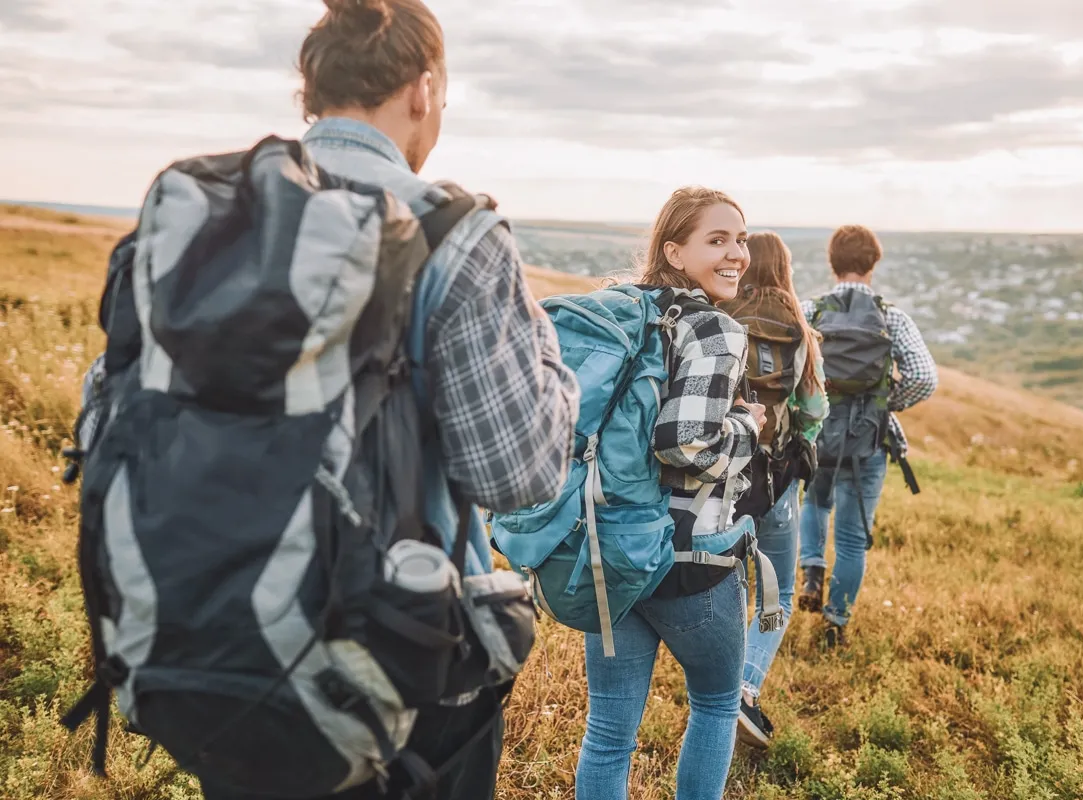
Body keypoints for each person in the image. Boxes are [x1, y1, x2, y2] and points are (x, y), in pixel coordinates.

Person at [77, 1, 581, 798]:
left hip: (208, 639)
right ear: (422, 90)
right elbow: (519, 475)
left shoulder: (198, 212)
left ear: (310, 90)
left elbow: (104, 415)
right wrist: (555, 372)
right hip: (397, 670)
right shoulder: (452, 231)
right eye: (441, 94)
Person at [574, 187, 766, 800]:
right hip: (690, 557)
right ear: (675, 251)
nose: (737, 253)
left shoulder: (620, 310)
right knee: (713, 704)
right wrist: (747, 430)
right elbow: (683, 445)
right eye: (718, 240)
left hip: (610, 550)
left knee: (607, 731)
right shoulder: (715, 329)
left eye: (741, 239)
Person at [798, 224, 937, 648]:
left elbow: (791, 367)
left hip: (818, 434)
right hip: (868, 442)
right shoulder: (892, 316)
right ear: (873, 263)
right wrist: (882, 404)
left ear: (832, 263)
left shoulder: (810, 310)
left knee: (815, 502)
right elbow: (924, 378)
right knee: (854, 538)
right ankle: (835, 624)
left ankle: (811, 571)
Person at [717, 232, 828, 748]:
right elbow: (815, 410)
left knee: (727, 583)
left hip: (718, 475)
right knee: (777, 591)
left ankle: (717, 686)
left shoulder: (718, 315)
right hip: (776, 476)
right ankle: (743, 687)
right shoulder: (799, 328)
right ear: (784, 267)